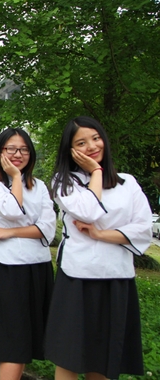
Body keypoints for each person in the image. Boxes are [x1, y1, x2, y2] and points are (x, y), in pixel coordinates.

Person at [45, 116, 151, 380]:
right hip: (77, 277)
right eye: (81, 143)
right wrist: (96, 172)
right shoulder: (63, 182)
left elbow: (143, 229)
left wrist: (100, 234)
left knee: (103, 358)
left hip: (117, 277)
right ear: (70, 150)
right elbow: (89, 211)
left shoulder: (128, 182)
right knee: (68, 356)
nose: (91, 146)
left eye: (95, 138)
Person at [0, 128, 56, 380]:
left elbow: (48, 229)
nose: (18, 154)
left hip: (39, 266)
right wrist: (16, 177)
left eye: (24, 149)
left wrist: (11, 232)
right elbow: (12, 209)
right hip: (6, 267)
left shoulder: (40, 186)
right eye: (11, 148)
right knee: (11, 339)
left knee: (28, 338)